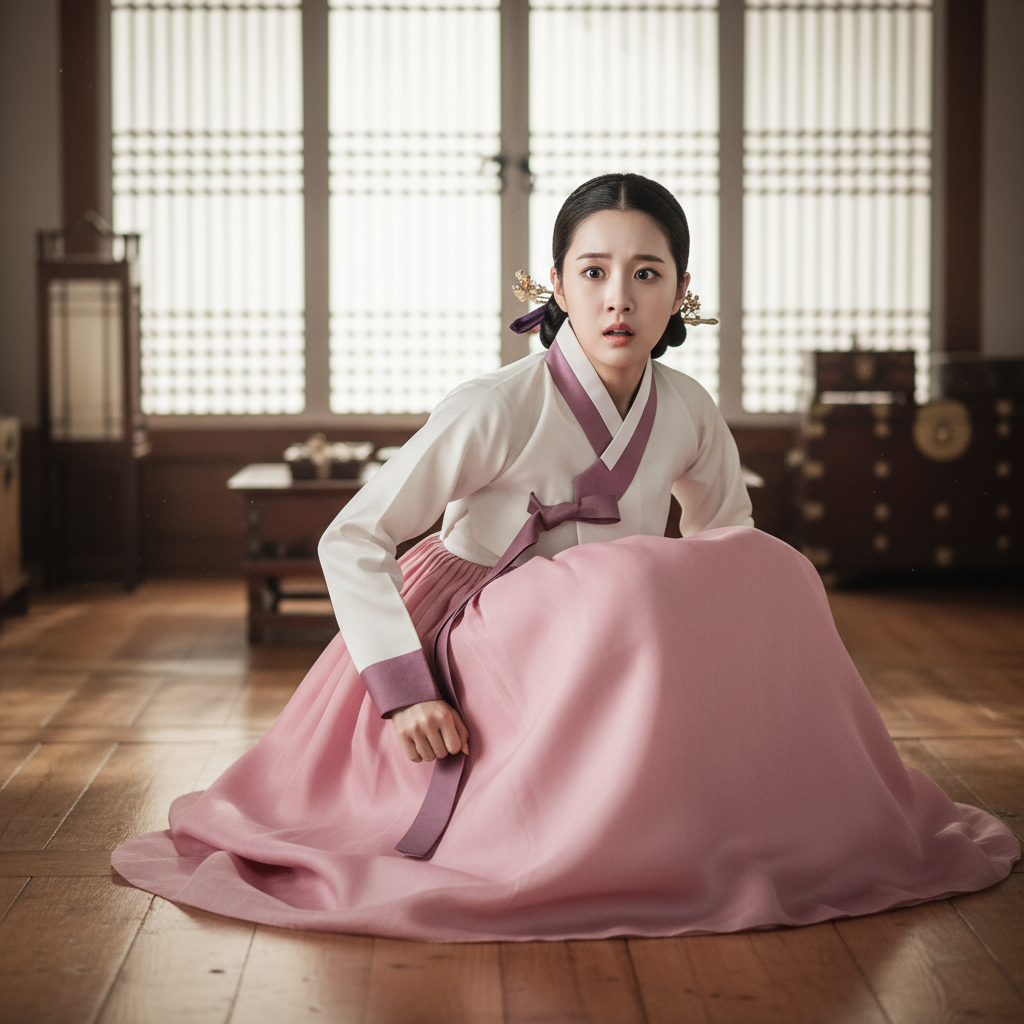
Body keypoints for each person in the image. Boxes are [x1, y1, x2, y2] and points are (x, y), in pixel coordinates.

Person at [112, 174, 1018, 942]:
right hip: (474, 629)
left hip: (614, 640)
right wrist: (406, 693)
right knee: (612, 598)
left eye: (645, 273)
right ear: (555, 283)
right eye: (594, 272)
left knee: (775, 567)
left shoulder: (690, 409)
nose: (619, 297)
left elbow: (728, 549)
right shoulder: (496, 405)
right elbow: (350, 536)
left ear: (682, 291)